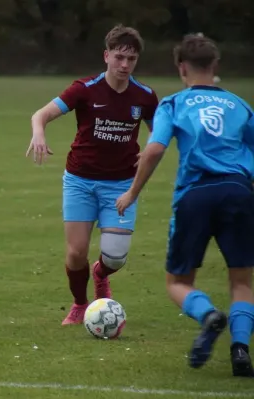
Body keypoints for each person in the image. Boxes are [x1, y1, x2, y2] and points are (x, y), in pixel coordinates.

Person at [116, 34, 254, 377]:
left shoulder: (174, 104)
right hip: (239, 192)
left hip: (196, 194)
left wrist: (132, 193)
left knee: (178, 281)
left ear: (181, 67)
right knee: (242, 282)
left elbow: (156, 148)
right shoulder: (241, 106)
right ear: (215, 66)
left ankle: (208, 315)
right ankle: (240, 350)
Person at [26, 25, 159, 325]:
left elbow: (159, 132)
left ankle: (101, 274)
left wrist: (150, 147)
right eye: (119, 57)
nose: (125, 65)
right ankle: (80, 304)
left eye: (132, 59)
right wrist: (39, 133)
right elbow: (41, 114)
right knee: (76, 254)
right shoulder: (85, 89)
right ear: (106, 55)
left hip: (122, 184)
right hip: (80, 181)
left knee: (115, 257)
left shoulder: (145, 96)